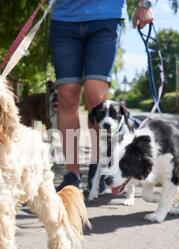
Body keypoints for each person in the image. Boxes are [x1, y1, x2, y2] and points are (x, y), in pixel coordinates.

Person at [51, 0, 154, 191]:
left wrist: (144, 4)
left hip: (105, 15)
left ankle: (96, 167)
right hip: (64, 19)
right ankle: (72, 175)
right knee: (67, 96)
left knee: (96, 99)